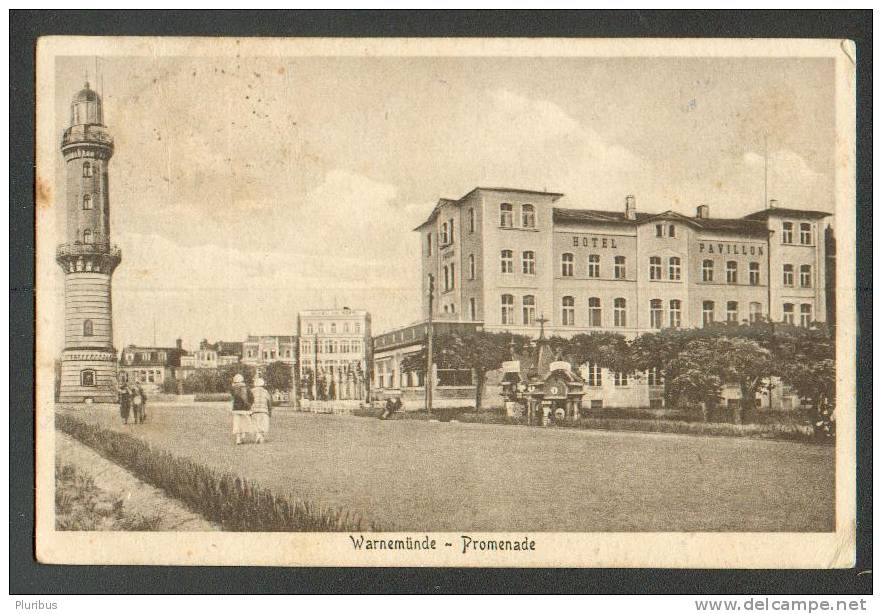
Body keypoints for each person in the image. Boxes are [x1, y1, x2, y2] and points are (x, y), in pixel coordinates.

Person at [230, 373, 254, 445]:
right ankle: (243, 436)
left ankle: (238, 439)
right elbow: (251, 398)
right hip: (245, 408)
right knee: (244, 422)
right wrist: (250, 404)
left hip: (236, 409)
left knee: (237, 423)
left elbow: (232, 397)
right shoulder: (247, 388)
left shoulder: (233, 389)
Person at [250, 377, 272, 444]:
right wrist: (270, 411)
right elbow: (269, 402)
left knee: (256, 424)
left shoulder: (252, 391)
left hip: (254, 410)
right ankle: (261, 436)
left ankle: (258, 435)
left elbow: (249, 401)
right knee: (263, 425)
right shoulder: (265, 392)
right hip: (264, 410)